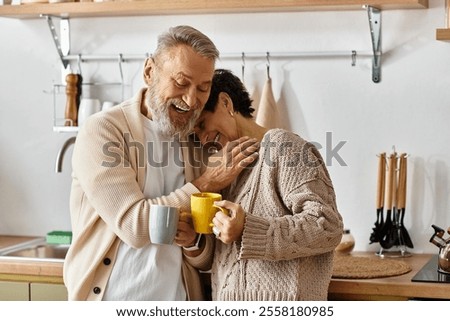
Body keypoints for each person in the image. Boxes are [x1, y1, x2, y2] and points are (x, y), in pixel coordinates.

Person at [63, 27, 259, 301]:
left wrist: (193, 242)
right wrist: (207, 183)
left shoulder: (193, 141)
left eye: (203, 88)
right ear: (149, 72)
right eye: (181, 82)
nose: (192, 100)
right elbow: (134, 226)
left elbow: (204, 255)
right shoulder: (103, 131)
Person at [193, 69, 344, 301]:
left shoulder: (284, 147)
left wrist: (247, 229)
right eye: (196, 134)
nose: (203, 139)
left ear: (225, 103)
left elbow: (327, 226)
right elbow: (223, 253)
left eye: (202, 124)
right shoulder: (223, 168)